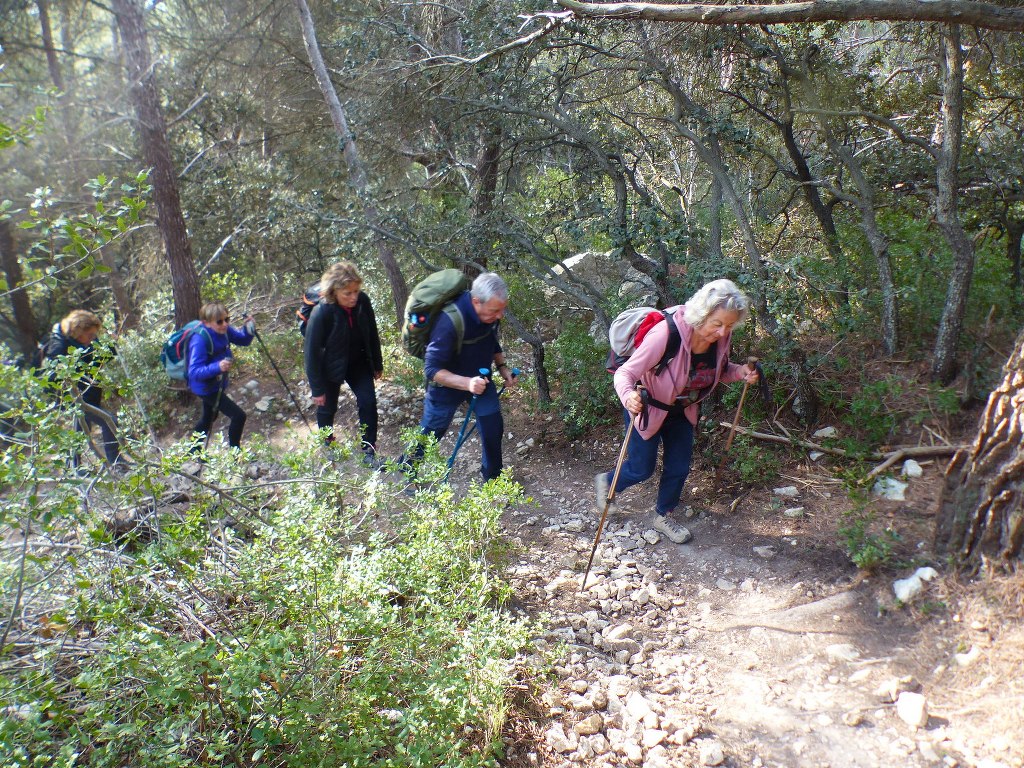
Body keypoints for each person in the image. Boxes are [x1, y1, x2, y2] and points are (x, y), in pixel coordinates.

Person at [594, 279, 760, 544]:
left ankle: (663, 515)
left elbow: (716, 371)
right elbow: (626, 372)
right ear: (702, 315)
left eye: (729, 326)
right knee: (641, 468)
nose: (723, 332)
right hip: (647, 406)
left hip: (683, 409)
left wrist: (740, 372)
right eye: (717, 324)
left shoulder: (721, 338)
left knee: (679, 466)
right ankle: (608, 482)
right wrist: (628, 397)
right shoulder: (665, 335)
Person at [407, 271, 517, 481]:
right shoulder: (449, 321)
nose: (500, 316)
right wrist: (467, 383)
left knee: (493, 426)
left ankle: (493, 479)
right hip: (447, 386)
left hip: (481, 381)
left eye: (502, 310)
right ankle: (406, 469)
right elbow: (432, 370)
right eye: (495, 310)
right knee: (432, 431)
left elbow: (491, 340)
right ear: (476, 301)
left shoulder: (490, 314)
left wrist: (502, 367)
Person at [303, 261, 384, 461]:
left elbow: (372, 332)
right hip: (329, 365)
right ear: (334, 291)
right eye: (347, 293)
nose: (353, 297)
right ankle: (328, 444)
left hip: (358, 362)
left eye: (356, 291)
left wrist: (377, 363)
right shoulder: (322, 312)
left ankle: (368, 450)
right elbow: (311, 352)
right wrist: (317, 389)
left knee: (368, 402)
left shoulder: (363, 302)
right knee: (327, 407)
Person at [41, 309, 122, 468]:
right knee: (109, 421)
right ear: (78, 331)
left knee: (79, 431)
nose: (93, 338)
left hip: (87, 395)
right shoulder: (59, 343)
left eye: (94, 335)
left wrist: (111, 346)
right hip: (71, 398)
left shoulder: (85, 340)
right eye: (90, 335)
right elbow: (52, 376)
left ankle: (74, 468)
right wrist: (91, 351)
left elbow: (98, 361)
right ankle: (117, 462)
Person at [187, 302, 254, 451]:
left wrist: (249, 329)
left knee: (209, 417)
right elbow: (194, 372)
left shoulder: (224, 330)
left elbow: (243, 340)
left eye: (227, 319)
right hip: (206, 387)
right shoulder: (199, 340)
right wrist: (218, 367)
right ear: (207, 323)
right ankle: (235, 454)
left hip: (216, 383)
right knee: (238, 416)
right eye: (219, 321)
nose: (224, 324)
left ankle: (193, 450)